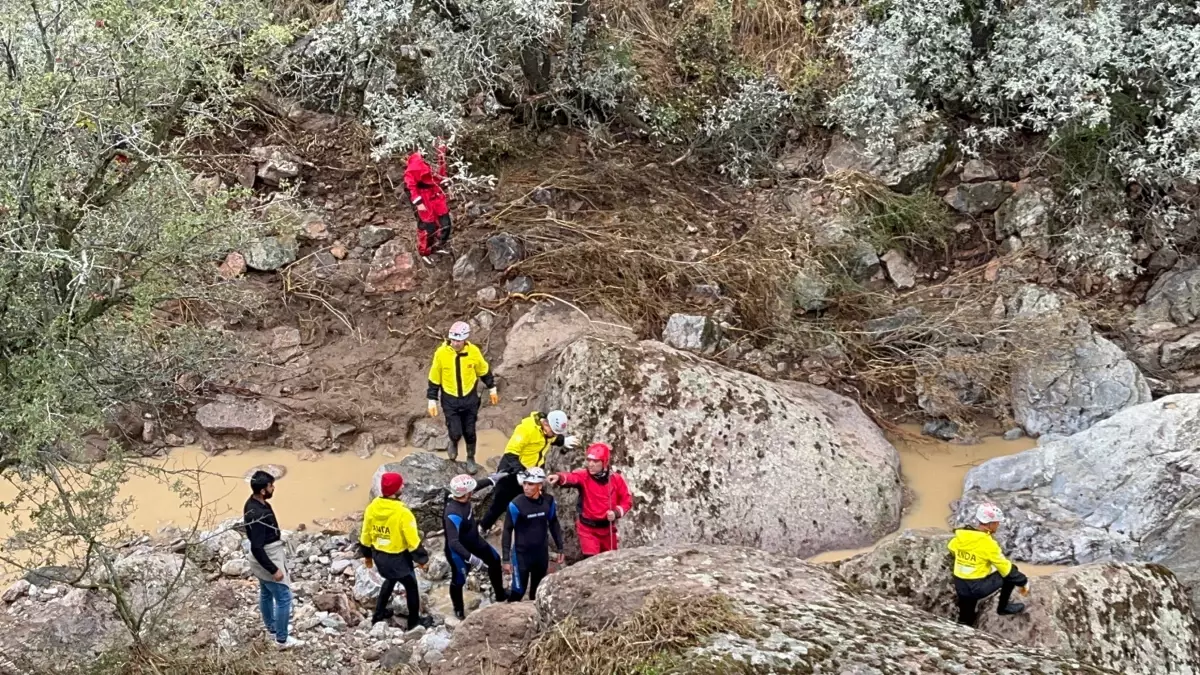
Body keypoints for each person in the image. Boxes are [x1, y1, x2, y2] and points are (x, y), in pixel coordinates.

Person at [479, 410, 576, 533]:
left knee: (530, 500)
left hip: (533, 471)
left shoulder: (548, 433)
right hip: (513, 470)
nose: (554, 435)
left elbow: (550, 439)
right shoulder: (526, 430)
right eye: (553, 432)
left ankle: (523, 527)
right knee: (500, 502)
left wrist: (563, 441)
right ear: (546, 424)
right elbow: (510, 453)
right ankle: (484, 526)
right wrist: (519, 472)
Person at [359, 472, 435, 629]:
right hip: (398, 558)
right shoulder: (403, 513)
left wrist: (367, 556)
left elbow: (365, 535)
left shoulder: (372, 508)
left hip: (379, 556)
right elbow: (412, 541)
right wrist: (422, 560)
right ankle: (414, 622)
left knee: (390, 579)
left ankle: (378, 614)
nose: (404, 486)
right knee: (411, 586)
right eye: (401, 485)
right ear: (395, 491)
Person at [244, 470, 304, 650]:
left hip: (263, 556)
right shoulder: (258, 514)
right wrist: (273, 569)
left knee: (266, 592)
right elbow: (257, 547)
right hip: (268, 556)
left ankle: (272, 628)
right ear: (263, 490)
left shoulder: (254, 502)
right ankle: (281, 639)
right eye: (271, 486)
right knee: (284, 597)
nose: (273, 488)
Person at [427, 321, 497, 475]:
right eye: (452, 340)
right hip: (450, 399)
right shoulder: (441, 354)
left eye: (458, 340)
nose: (455, 343)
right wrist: (432, 399)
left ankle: (470, 458)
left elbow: (483, 370)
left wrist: (492, 388)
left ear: (465, 339)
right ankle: (453, 441)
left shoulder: (473, 352)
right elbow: (434, 376)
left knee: (470, 431)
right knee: (456, 431)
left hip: (469, 399)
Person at [547, 442, 632, 558]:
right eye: (589, 460)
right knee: (592, 561)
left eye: (595, 461)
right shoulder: (584, 476)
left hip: (608, 530)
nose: (590, 464)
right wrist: (559, 477)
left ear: (605, 462)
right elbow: (572, 477)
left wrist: (617, 512)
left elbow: (627, 500)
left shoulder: (616, 479)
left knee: (610, 562)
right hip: (588, 531)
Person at [949, 502, 1029, 626]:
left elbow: (952, 548)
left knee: (966, 615)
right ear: (990, 524)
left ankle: (965, 622)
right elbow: (1005, 568)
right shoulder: (988, 543)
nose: (998, 525)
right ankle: (1003, 607)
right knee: (1010, 573)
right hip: (976, 588)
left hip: (960, 584)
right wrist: (1023, 581)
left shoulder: (961, 536)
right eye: (997, 523)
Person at [444, 473, 508, 619]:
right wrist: (473, 559)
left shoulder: (459, 495)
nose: (473, 492)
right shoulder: (452, 513)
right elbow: (453, 542)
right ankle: (458, 609)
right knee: (459, 579)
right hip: (459, 551)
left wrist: (492, 480)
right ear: (466, 494)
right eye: (470, 492)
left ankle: (500, 594)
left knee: (495, 560)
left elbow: (475, 486)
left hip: (474, 540)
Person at [501, 468, 564, 602]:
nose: (526, 487)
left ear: (540, 485)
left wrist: (560, 548)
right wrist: (506, 559)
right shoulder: (516, 504)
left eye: (530, 484)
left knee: (537, 592)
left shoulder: (549, 501)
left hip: (541, 554)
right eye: (524, 483)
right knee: (518, 592)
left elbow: (553, 523)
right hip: (521, 555)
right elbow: (507, 530)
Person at [403, 143, 452, 263]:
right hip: (422, 194)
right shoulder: (416, 164)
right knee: (428, 226)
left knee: (445, 222)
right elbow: (410, 185)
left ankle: (437, 246)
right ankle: (424, 251)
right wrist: (418, 203)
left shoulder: (439, 155)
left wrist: (445, 183)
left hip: (435, 192)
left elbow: (441, 172)